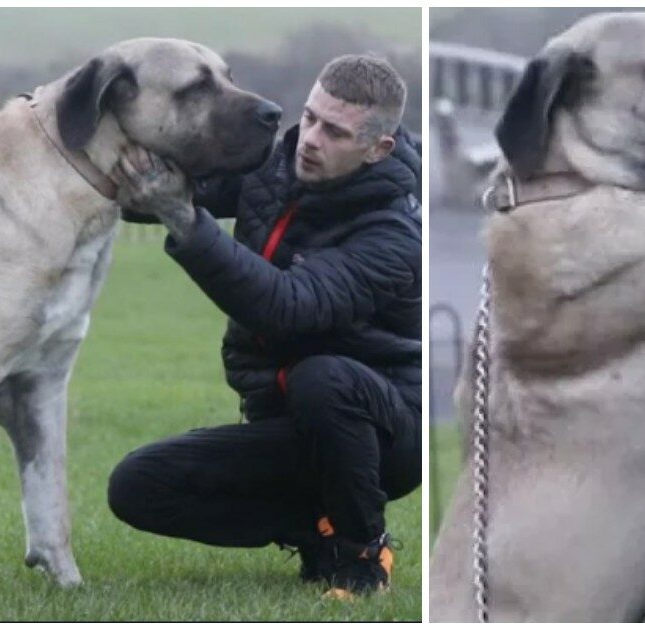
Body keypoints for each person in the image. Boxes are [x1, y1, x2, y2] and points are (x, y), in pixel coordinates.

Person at [105, 54, 421, 598]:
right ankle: (314, 527)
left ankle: (364, 554)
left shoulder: (394, 235)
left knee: (323, 378)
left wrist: (182, 218)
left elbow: (286, 307)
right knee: (136, 487)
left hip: (381, 433)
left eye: (335, 132)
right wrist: (100, 154)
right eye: (311, 117)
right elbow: (165, 192)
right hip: (285, 423)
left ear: (378, 149)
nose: (311, 139)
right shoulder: (277, 166)